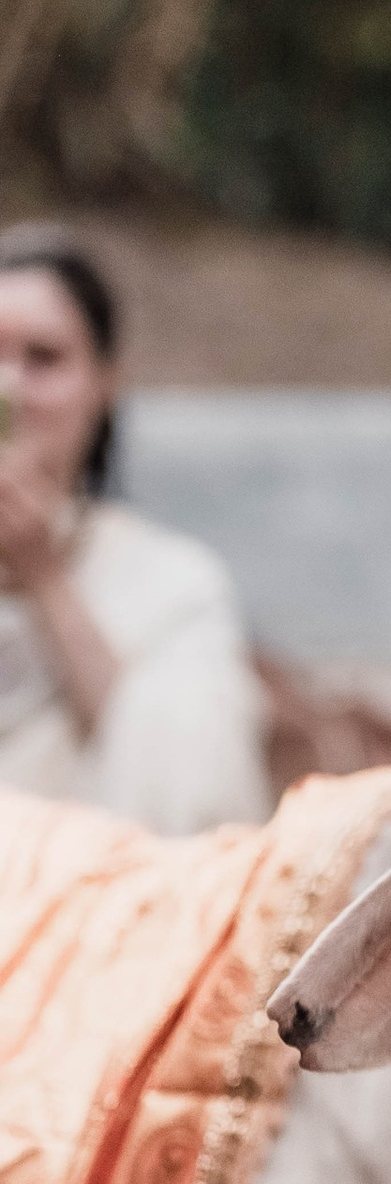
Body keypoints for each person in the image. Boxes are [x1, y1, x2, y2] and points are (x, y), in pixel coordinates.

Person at [0, 224, 268, 834]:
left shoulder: (177, 584)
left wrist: (44, 577)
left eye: (44, 359)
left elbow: (191, 806)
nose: (9, 388)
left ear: (105, 382)